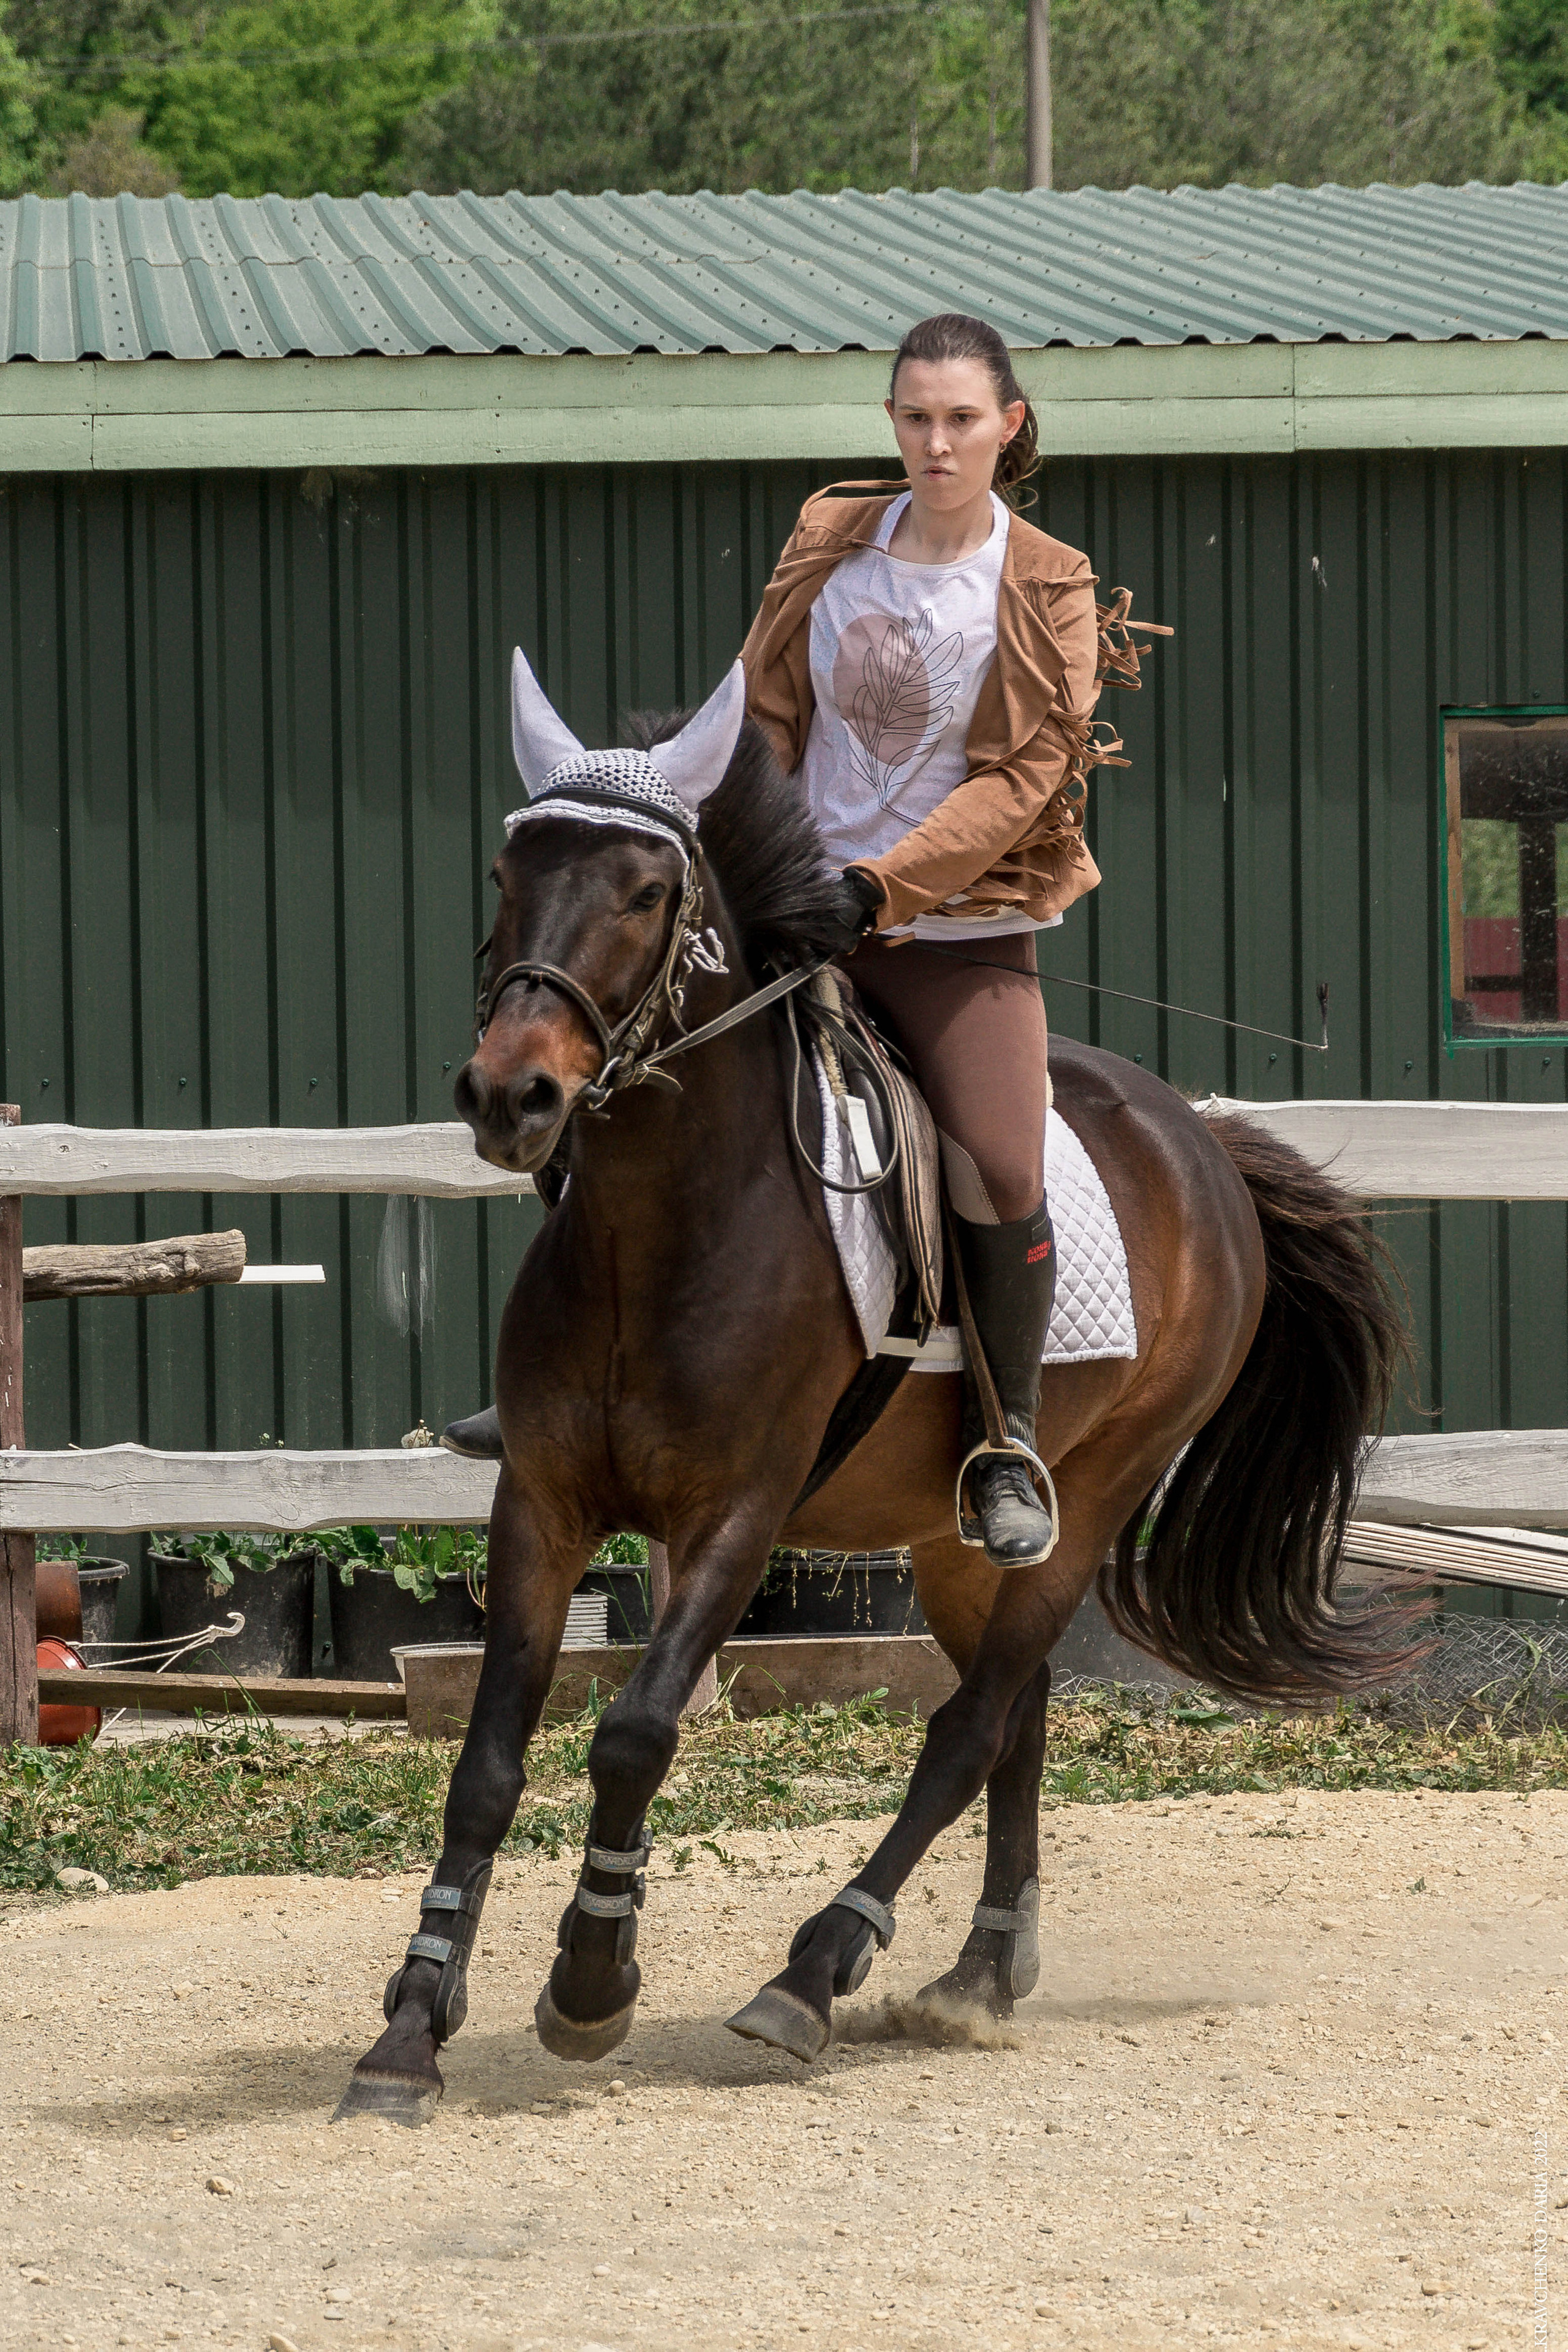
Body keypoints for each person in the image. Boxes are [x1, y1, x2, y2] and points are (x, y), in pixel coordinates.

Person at [446, 312, 1144, 1572]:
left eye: (961, 420)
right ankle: (560, 1384)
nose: (936, 442)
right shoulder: (832, 535)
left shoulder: (1046, 582)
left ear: (1009, 428)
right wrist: (740, 868)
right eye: (915, 417)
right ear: (892, 421)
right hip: (789, 909)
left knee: (993, 1162)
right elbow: (767, 716)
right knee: (606, 1067)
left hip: (951, 931)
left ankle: (1003, 1435)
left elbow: (1020, 779)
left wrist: (876, 889)